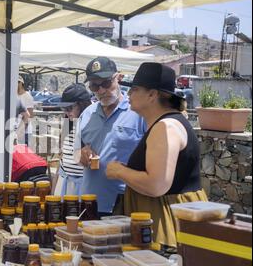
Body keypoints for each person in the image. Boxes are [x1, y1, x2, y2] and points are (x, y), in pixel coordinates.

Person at [106, 62, 208, 248]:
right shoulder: (168, 123)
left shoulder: (165, 127)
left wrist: (119, 171)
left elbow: (156, 185)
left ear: (152, 94)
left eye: (135, 89)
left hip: (163, 220)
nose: (128, 94)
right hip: (166, 214)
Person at [74, 57, 146, 216]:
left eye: (106, 83)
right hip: (89, 203)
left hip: (126, 205)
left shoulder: (138, 113)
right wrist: (82, 154)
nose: (101, 91)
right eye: (94, 85)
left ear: (118, 78)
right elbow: (77, 152)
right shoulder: (87, 114)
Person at [54, 83, 92, 197]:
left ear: (82, 105)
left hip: (84, 184)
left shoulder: (92, 123)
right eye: (64, 108)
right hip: (64, 181)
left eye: (70, 108)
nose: (66, 112)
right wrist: (54, 189)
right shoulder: (68, 123)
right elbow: (62, 159)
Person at [17, 75, 34, 145]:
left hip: (25, 132)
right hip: (16, 131)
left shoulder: (27, 96)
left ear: (20, 83)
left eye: (17, 82)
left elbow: (30, 116)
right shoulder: (14, 95)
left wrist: (21, 131)